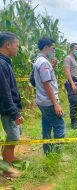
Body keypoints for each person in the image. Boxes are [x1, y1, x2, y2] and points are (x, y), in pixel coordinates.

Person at [34, 37, 66, 155]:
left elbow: (45, 77)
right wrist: (56, 104)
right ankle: (57, 155)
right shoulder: (43, 62)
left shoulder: (39, 60)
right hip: (48, 102)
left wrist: (52, 66)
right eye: (53, 48)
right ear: (46, 47)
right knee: (60, 126)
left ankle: (48, 153)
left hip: (42, 101)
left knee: (46, 126)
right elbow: (47, 84)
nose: (54, 51)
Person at [0, 32, 23, 177]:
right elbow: (4, 91)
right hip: (8, 110)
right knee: (13, 136)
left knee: (16, 134)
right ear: (8, 45)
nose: (18, 49)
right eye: (17, 46)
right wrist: (14, 112)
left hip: (12, 107)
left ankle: (9, 157)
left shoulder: (5, 61)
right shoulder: (1, 64)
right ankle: (7, 169)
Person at [64, 43, 77, 129]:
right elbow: (67, 72)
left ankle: (75, 119)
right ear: (72, 49)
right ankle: (73, 123)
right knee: (73, 103)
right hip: (72, 84)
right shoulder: (68, 58)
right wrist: (72, 84)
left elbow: (76, 72)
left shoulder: (75, 59)